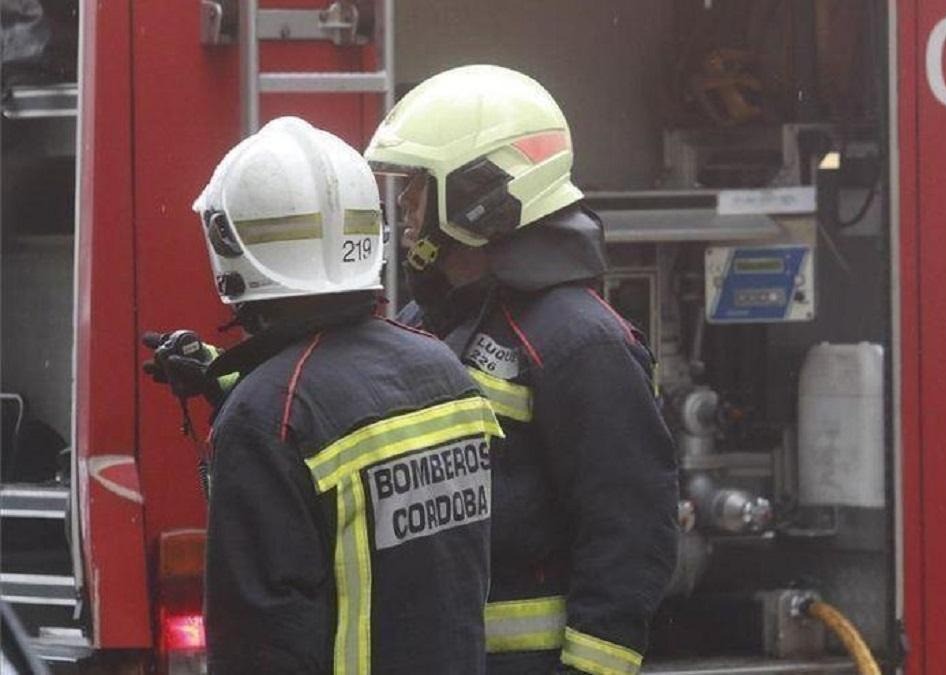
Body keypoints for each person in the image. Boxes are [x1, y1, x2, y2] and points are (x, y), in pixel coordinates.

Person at [150, 117, 499, 672]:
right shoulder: (443, 371)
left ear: (229, 244)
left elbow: (260, 641)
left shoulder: (267, 417)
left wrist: (246, 400)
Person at [364, 65, 679, 674]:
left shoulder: (581, 342)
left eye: (419, 186)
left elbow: (630, 534)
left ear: (478, 194)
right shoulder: (431, 318)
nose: (403, 207)